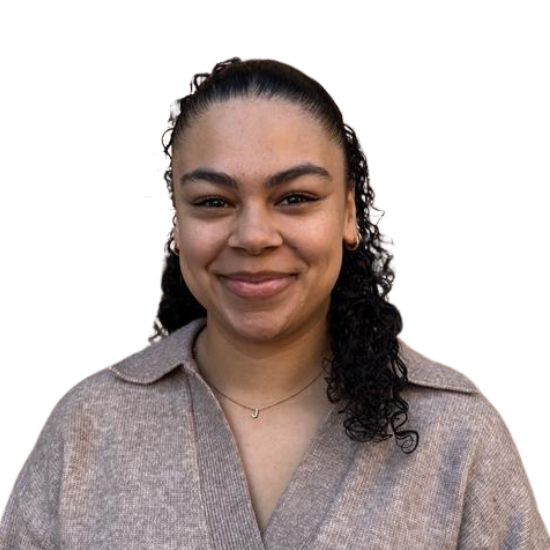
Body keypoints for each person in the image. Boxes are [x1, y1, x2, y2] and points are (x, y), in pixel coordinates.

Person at [0, 57, 548, 550]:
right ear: (178, 222)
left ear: (348, 214)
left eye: (295, 198)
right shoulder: (89, 427)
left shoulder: (457, 436)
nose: (254, 235)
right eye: (213, 202)